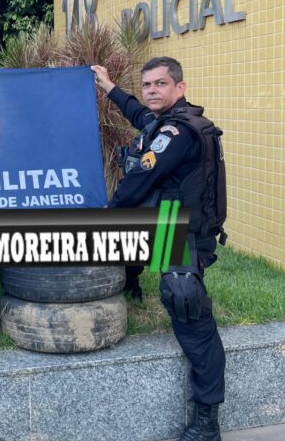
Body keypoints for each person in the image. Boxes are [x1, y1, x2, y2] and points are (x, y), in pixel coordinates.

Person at [92, 57, 227, 441]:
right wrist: (108, 85)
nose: (151, 90)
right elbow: (139, 114)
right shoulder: (165, 121)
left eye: (160, 84)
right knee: (124, 241)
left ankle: (206, 421)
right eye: (147, 84)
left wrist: (110, 212)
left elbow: (141, 177)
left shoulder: (177, 132)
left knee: (184, 300)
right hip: (168, 218)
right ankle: (132, 287)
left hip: (180, 228)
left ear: (179, 88)